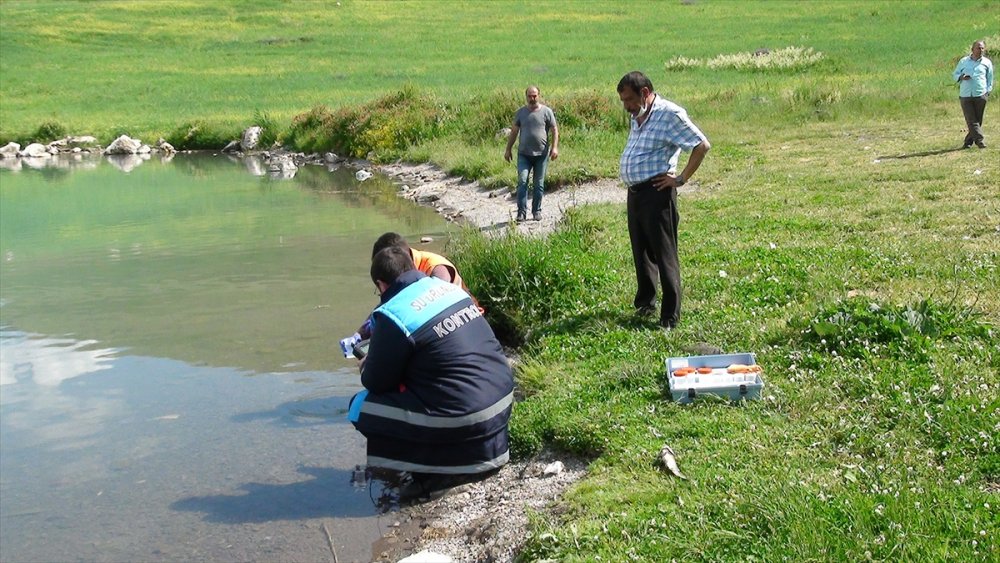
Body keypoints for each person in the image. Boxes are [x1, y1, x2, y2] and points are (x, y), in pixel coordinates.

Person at [347, 246, 514, 501]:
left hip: (471, 416)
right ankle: (469, 456)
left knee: (360, 407)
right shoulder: (450, 290)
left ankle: (434, 475)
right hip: (502, 400)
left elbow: (376, 383)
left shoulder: (393, 314)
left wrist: (367, 364)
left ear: (381, 285)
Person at [617, 71, 710, 330]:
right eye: (623, 101)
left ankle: (669, 317)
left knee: (664, 253)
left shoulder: (670, 114)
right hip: (635, 193)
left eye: (629, 100)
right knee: (642, 252)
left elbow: (701, 145)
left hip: (657, 193)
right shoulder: (637, 116)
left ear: (645, 93)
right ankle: (645, 304)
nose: (626, 106)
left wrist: (680, 179)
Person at [339, 232, 481, 354]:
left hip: (462, 324)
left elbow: (433, 308)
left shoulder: (436, 269)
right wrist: (360, 334)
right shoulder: (404, 271)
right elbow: (388, 306)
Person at [504, 86, 559, 222]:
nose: (532, 98)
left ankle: (536, 211)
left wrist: (555, 147)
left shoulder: (547, 112)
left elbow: (554, 130)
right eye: (530, 96)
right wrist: (508, 149)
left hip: (541, 155)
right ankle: (521, 213)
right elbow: (514, 132)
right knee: (522, 181)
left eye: (534, 95)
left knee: (538, 184)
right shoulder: (521, 113)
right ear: (526, 97)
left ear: (539, 95)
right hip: (524, 155)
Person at [953, 40, 994, 149]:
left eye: (982, 48)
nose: (980, 50)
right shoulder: (964, 61)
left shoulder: (987, 62)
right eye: (978, 48)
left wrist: (988, 91)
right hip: (965, 95)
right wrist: (961, 77)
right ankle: (980, 141)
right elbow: (955, 74)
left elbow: (990, 79)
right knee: (971, 119)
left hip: (980, 94)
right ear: (972, 49)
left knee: (977, 120)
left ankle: (968, 142)